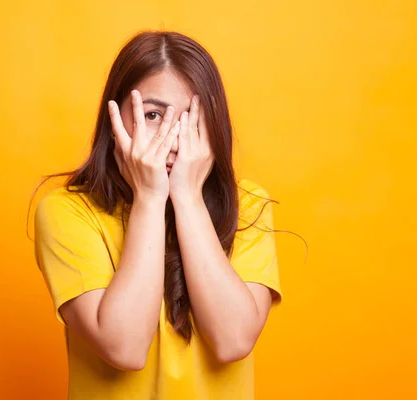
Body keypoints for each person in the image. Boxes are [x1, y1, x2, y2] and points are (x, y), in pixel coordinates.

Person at [32, 30, 282, 400]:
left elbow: (234, 340)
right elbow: (125, 347)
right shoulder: (67, 212)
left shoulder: (248, 205)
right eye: (152, 115)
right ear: (115, 123)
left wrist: (187, 196)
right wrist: (149, 198)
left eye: (191, 119)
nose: (174, 139)